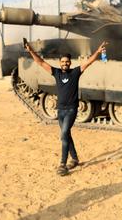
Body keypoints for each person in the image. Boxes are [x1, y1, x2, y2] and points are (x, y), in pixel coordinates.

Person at [24, 39, 108, 176]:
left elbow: (88, 62)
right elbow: (40, 62)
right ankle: (74, 158)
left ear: (70, 62)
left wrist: (98, 52)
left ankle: (63, 164)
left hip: (71, 110)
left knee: (63, 134)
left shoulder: (75, 72)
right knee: (66, 134)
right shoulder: (56, 72)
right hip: (60, 110)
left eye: (67, 62)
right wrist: (31, 51)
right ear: (60, 63)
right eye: (62, 62)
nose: (65, 64)